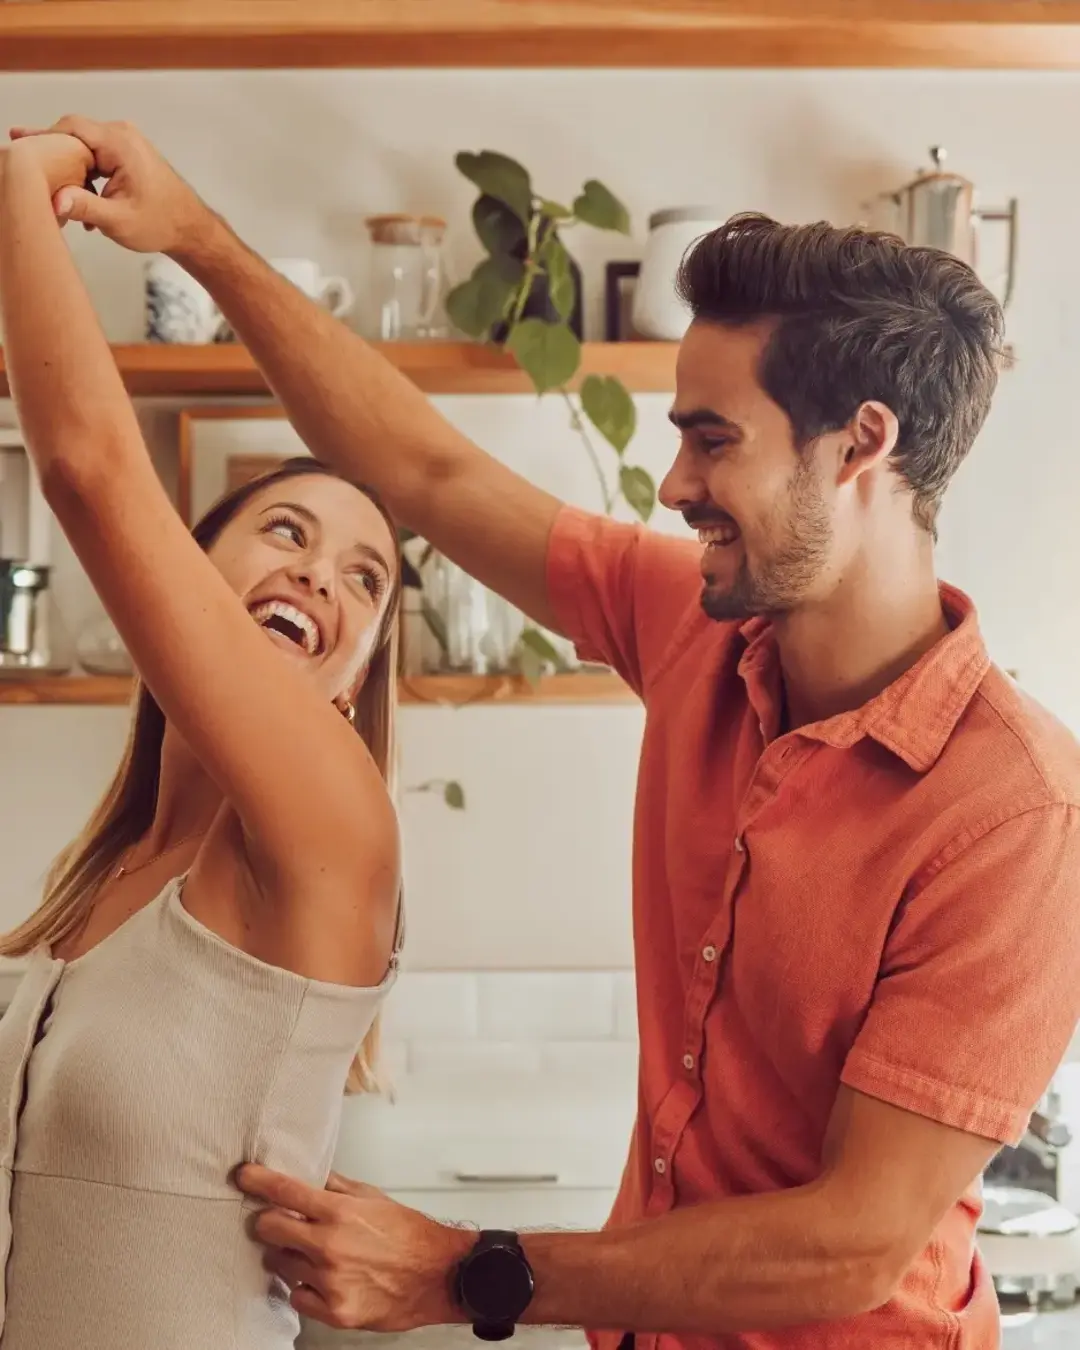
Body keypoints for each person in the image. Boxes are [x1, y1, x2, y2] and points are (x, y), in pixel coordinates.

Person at [14, 115, 1080, 1350]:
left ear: (863, 445)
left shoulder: (1018, 813)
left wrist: (472, 1270)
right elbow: (431, 478)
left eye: (711, 438)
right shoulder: (696, 623)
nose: (674, 484)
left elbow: (852, 1240)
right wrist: (199, 236)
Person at [0, 130, 404, 1350]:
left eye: (366, 580)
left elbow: (83, 464)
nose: (320, 579)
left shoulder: (333, 832)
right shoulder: (96, 887)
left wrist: (23, 180)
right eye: (284, 531)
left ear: (355, 678)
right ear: (192, 575)